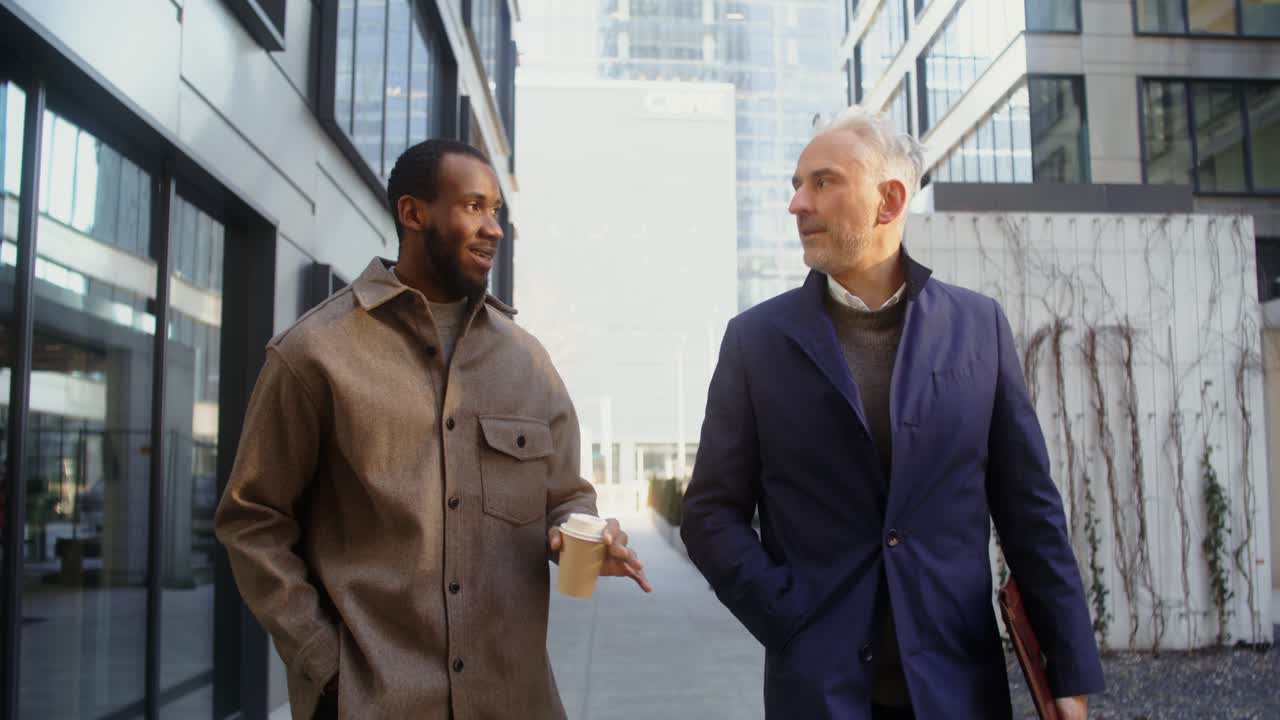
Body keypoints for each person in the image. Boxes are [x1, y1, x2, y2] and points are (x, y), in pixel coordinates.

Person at [680, 107, 1103, 719]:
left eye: (821, 182)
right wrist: (788, 616)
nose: (797, 204)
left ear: (889, 199)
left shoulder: (977, 327)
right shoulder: (756, 341)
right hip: (819, 693)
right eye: (796, 185)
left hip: (958, 688)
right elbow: (710, 513)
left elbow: (1030, 510)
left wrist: (1069, 668)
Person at [215, 139, 651, 720]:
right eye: (473, 206)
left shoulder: (528, 362)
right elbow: (253, 520)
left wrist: (586, 545)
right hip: (373, 702)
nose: (494, 228)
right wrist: (323, 663)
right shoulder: (314, 354)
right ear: (413, 213)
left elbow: (568, 497)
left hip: (514, 701)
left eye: (496, 210)